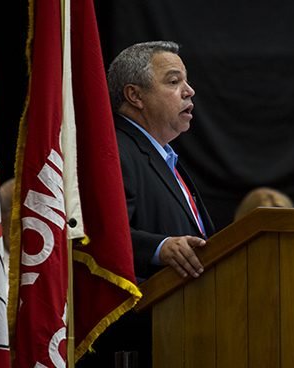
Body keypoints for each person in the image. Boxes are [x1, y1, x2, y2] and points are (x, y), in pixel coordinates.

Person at [78, 41, 215, 368]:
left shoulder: (165, 157)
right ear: (135, 95)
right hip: (136, 343)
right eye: (173, 81)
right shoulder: (113, 151)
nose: (189, 91)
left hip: (186, 333)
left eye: (186, 81)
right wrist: (160, 247)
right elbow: (96, 236)